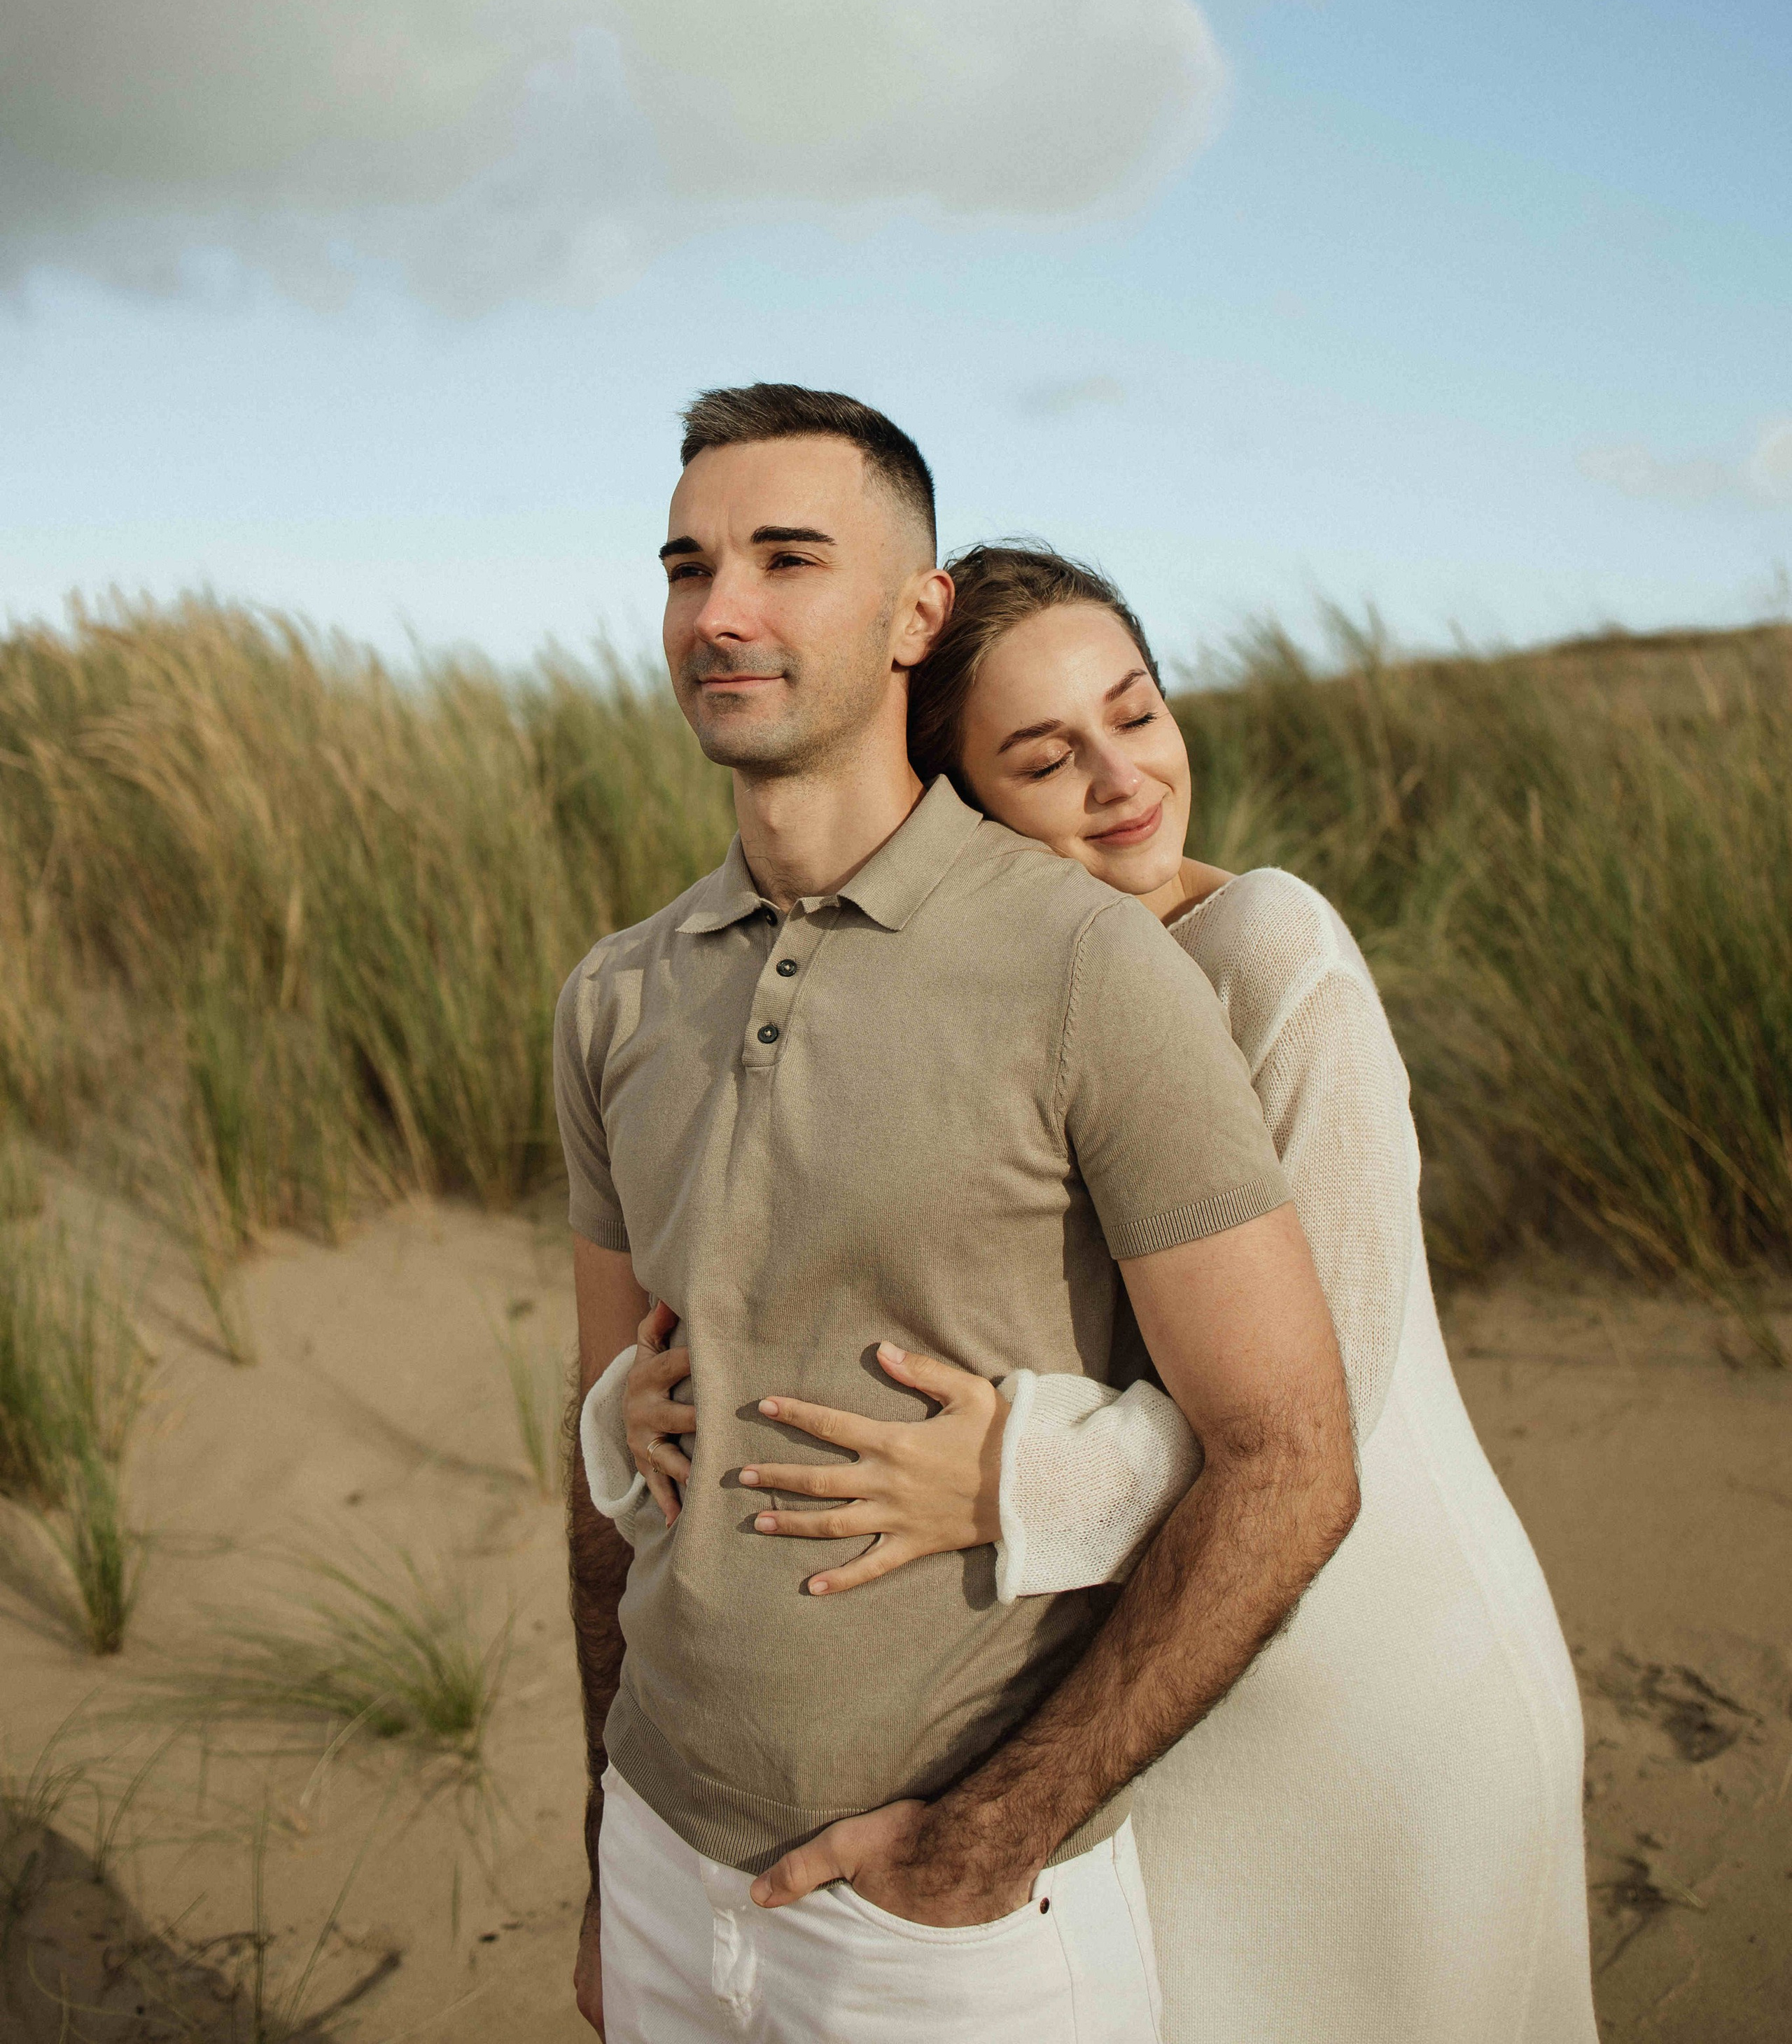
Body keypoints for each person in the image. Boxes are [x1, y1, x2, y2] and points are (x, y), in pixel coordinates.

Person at [598, 541, 1600, 2044]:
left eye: (1133, 714)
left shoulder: (1273, 953)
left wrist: (1008, 1472)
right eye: (1043, 755)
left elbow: (1335, 1389)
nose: (1120, 778)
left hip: (1363, 1666)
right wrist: (639, 1404)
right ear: (956, 807)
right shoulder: (976, 988)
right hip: (1145, 1693)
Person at [559, 387, 1361, 2043]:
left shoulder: (1089, 966)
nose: (722, 611)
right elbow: (597, 1487)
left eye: (789, 559)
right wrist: (600, 1851)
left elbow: (1289, 1458)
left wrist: (987, 1843)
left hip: (940, 1929)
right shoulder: (612, 997)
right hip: (655, 1855)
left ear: (917, 614)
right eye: (688, 564)